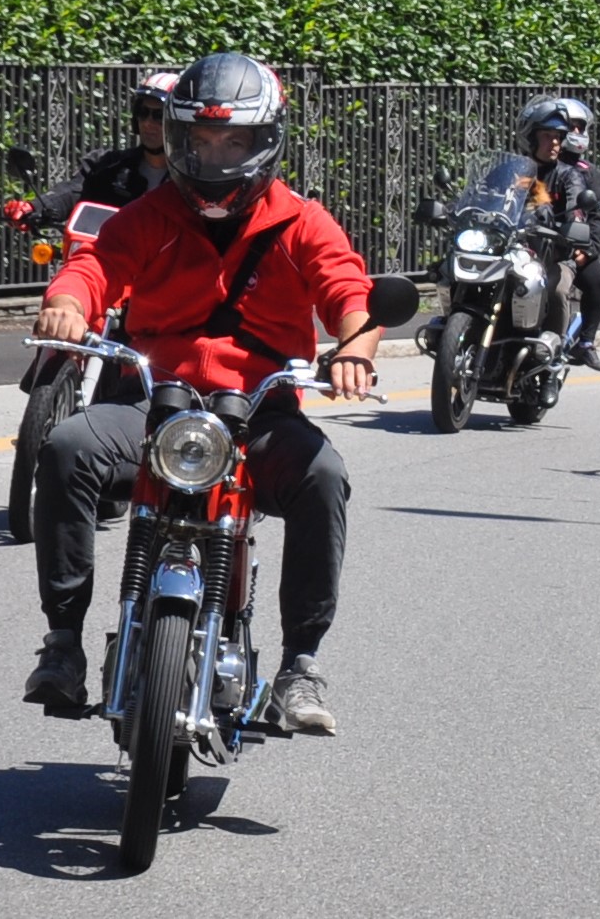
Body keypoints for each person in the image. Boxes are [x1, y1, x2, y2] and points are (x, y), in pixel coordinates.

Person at [24, 53, 383, 734]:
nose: (215, 158)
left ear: (266, 142)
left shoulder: (302, 222)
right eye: (201, 141)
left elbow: (347, 289)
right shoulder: (149, 215)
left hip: (260, 413)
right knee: (68, 446)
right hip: (156, 404)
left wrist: (356, 348)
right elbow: (94, 264)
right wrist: (66, 304)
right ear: (177, 139)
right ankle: (63, 642)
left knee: (324, 477)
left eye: (234, 142)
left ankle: (300, 666)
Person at [516, 98, 600, 369]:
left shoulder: (577, 174)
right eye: (571, 127)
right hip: (518, 247)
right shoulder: (518, 169)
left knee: (583, 283)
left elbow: (589, 214)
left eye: (578, 128)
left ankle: (577, 346)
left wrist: (586, 247)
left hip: (560, 247)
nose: (573, 134)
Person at [72, 71, 180, 207]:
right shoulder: (107, 166)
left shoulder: (191, 180)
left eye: (159, 116)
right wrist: (44, 206)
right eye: (143, 112)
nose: (147, 123)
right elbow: (71, 191)